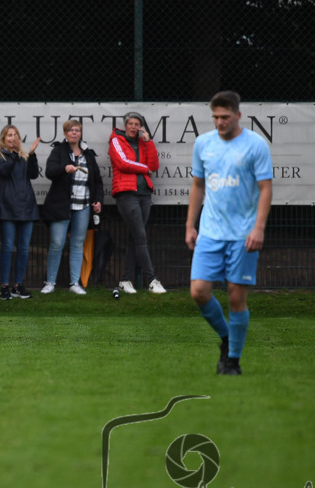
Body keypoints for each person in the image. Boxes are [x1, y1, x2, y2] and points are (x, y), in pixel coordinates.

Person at [186, 91, 273, 376]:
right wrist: (190, 225)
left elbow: (265, 189)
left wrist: (259, 228)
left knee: (236, 297)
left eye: (225, 117)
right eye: (215, 117)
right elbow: (198, 185)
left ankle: (232, 360)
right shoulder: (203, 144)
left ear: (238, 115)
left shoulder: (256, 145)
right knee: (199, 292)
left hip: (242, 234)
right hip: (210, 232)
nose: (220, 122)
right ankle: (227, 338)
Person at [40, 119, 104, 295]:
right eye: (71, 130)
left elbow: (97, 181)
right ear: (65, 134)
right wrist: (64, 168)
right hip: (61, 205)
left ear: (80, 133)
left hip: (83, 205)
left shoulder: (88, 154)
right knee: (57, 243)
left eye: (77, 130)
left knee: (77, 243)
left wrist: (98, 200)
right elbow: (49, 172)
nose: (74, 133)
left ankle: (75, 283)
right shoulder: (58, 151)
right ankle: (50, 282)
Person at [108, 112, 166, 294]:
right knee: (141, 237)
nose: (133, 127)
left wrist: (148, 142)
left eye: (137, 124)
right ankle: (152, 280)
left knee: (135, 238)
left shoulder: (142, 143)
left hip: (144, 194)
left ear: (141, 127)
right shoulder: (116, 140)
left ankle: (125, 280)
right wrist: (144, 169)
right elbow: (123, 164)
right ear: (126, 125)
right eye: (131, 123)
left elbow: (154, 166)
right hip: (126, 195)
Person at [0, 124, 40, 300]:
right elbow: (3, 172)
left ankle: (18, 285)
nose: (13, 138)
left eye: (15, 135)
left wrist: (32, 154)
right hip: (7, 207)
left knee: (24, 248)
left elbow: (34, 174)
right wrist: (12, 154)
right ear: (4, 139)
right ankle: (4, 285)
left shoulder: (24, 157)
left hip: (26, 207)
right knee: (6, 247)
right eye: (9, 135)